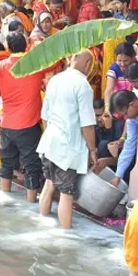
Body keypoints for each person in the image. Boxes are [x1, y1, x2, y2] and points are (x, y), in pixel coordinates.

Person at [0, 32, 46, 203]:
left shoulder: (2, 66)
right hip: (29, 124)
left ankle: (5, 196)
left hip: (7, 124)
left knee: (7, 162)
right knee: (31, 165)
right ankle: (31, 201)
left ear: (8, 48)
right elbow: (55, 65)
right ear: (26, 45)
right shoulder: (35, 63)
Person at [38, 50, 98, 228]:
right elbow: (87, 123)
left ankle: (42, 224)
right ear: (88, 65)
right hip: (68, 148)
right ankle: (65, 236)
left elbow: (45, 116)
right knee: (67, 192)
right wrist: (93, 150)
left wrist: (49, 135)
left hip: (49, 142)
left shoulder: (55, 80)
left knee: (49, 185)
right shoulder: (83, 85)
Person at [92, 99, 125, 171]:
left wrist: (108, 128)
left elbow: (123, 157)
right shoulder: (94, 125)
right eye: (96, 115)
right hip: (98, 166)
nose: (100, 119)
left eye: (102, 115)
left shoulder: (119, 126)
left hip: (117, 168)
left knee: (103, 144)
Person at [104, 43, 136, 109]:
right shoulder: (114, 69)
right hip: (119, 105)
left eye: (126, 60)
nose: (122, 64)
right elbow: (109, 90)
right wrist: (107, 108)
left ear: (133, 56)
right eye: (119, 60)